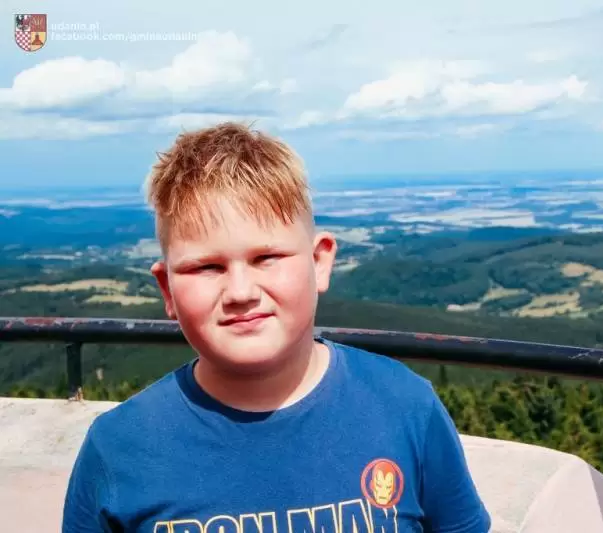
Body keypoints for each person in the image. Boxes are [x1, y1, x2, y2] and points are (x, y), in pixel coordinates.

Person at [62, 122, 492, 533]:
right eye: (207, 267)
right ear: (167, 289)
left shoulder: (406, 407)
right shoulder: (118, 449)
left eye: (266, 258)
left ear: (319, 262)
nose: (240, 291)